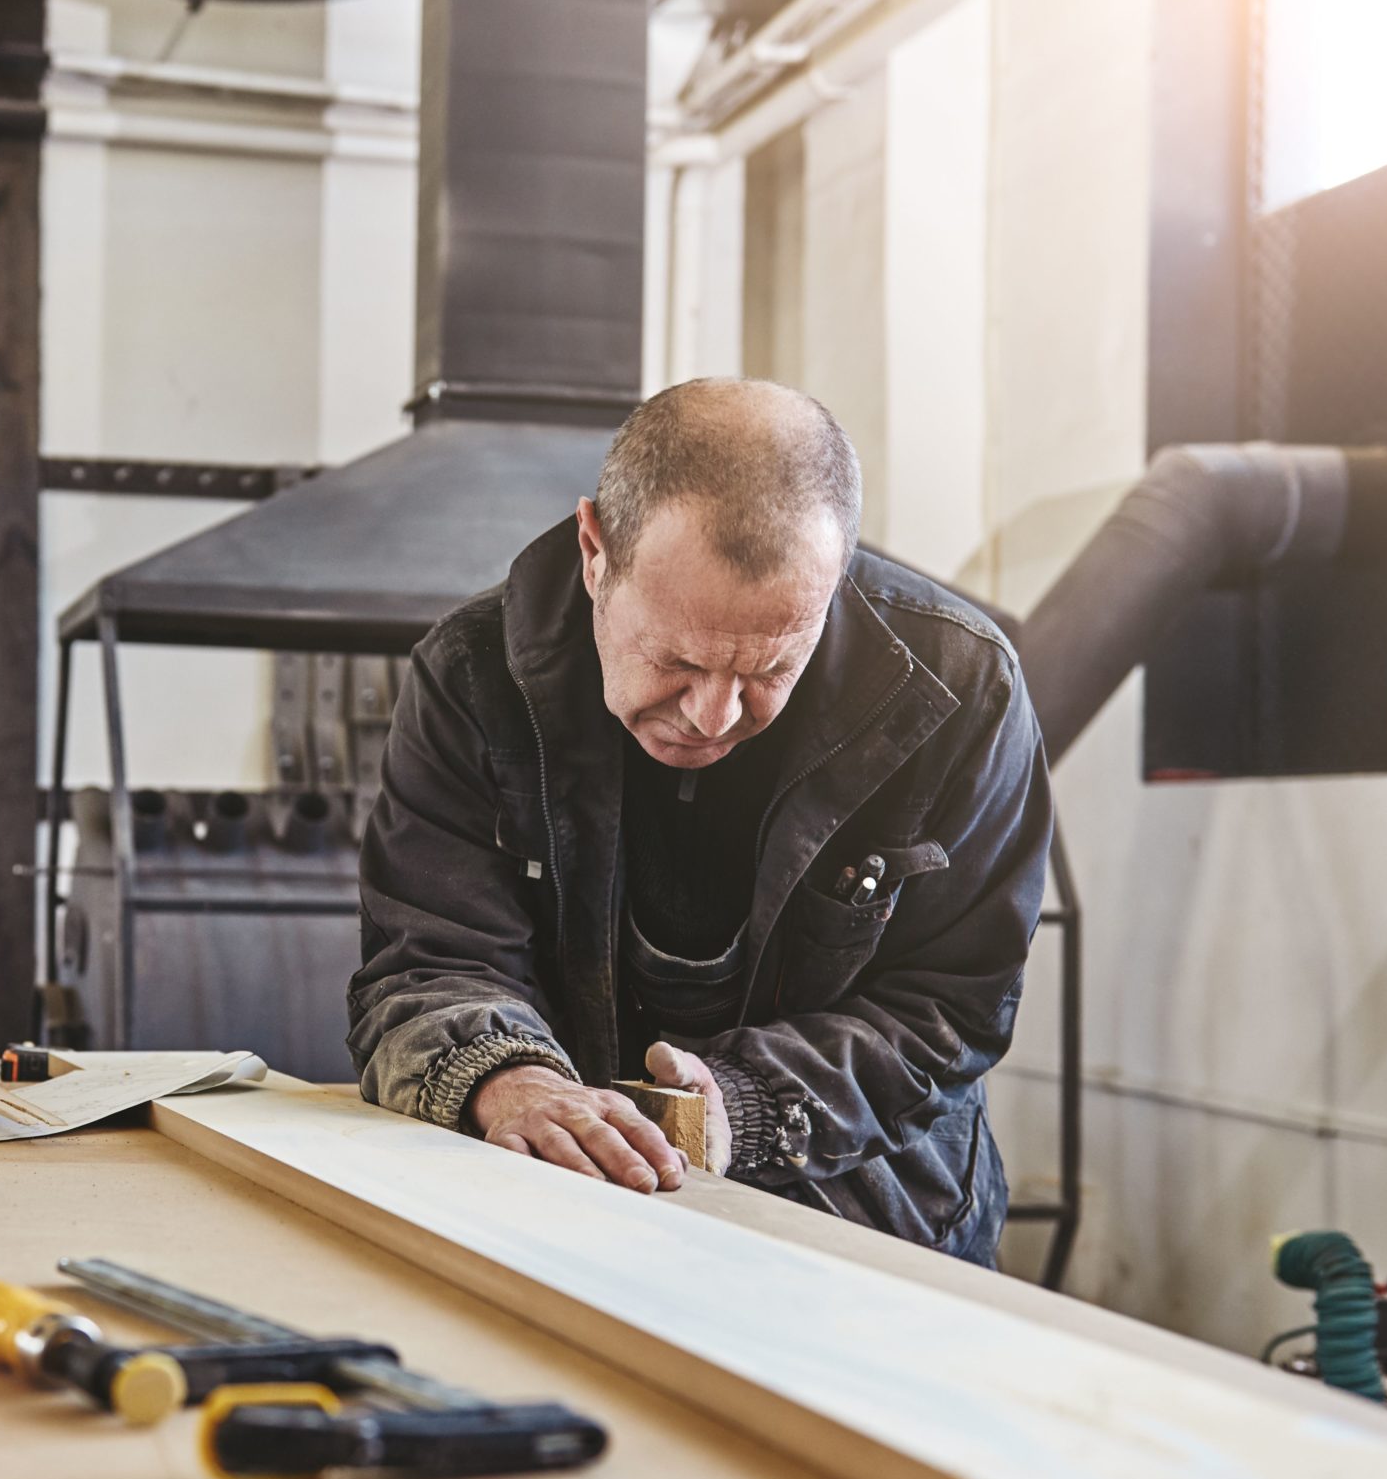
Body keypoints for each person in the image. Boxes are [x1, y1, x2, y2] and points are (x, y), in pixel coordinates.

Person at [346, 378, 1051, 1265]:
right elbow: (431, 957)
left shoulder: (964, 693)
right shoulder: (472, 681)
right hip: (567, 1209)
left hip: (875, 1229)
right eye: (676, 659)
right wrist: (506, 1078)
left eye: (770, 667)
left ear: (830, 587)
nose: (714, 714)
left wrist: (744, 1102)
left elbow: (949, 1007)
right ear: (596, 552)